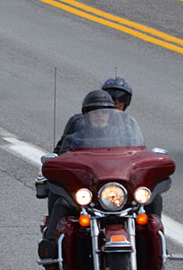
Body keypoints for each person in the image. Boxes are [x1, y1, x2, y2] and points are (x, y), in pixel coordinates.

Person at [38, 90, 116, 270]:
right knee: (61, 203)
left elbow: (134, 157)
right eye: (94, 112)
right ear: (86, 115)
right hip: (84, 191)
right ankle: (50, 252)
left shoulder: (123, 136)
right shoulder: (75, 139)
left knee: (146, 204)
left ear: (111, 115)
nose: (99, 116)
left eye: (104, 112)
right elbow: (62, 161)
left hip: (111, 193)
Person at [53, 76, 132, 155]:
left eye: (122, 98)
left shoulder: (128, 128)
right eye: (95, 111)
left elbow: (135, 153)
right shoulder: (74, 135)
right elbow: (61, 154)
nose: (117, 102)